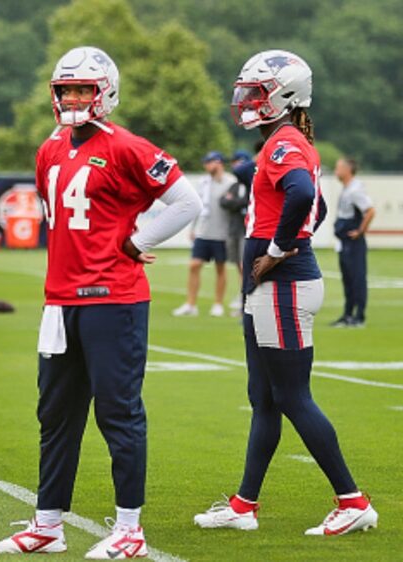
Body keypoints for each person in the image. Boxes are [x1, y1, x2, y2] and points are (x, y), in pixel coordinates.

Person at [0, 46, 201, 558]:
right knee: (55, 414)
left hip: (112, 298)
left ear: (105, 92)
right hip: (59, 301)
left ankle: (130, 529)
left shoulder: (127, 147)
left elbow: (189, 202)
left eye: (83, 89)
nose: (74, 98)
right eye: (66, 90)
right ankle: (48, 524)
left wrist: (139, 240)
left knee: (118, 414)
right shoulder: (49, 149)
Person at [194, 49, 378, 536]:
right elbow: (314, 205)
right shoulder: (282, 139)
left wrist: (278, 248)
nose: (248, 101)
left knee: (293, 397)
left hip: (285, 284)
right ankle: (244, 505)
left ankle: (352, 499)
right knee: (264, 397)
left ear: (285, 94)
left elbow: (301, 195)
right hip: (272, 284)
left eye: (257, 93)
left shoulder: (283, 144)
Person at [173, 151, 236, 317]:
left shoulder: (231, 182)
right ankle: (190, 304)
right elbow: (197, 206)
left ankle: (218, 304)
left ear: (219, 162)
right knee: (194, 265)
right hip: (203, 231)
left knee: (220, 267)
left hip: (222, 233)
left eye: (210, 162)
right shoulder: (203, 182)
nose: (207, 166)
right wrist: (193, 228)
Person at [331, 157, 375, 328]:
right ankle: (347, 314)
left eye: (338, 167)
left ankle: (359, 316)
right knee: (347, 278)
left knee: (357, 278)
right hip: (344, 242)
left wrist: (359, 231)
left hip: (353, 243)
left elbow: (370, 211)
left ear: (348, 169)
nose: (336, 171)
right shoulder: (347, 189)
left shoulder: (355, 190)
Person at [221, 147, 257, 317]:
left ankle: (247, 301)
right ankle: (243, 296)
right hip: (235, 228)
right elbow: (224, 201)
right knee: (238, 265)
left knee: (245, 266)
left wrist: (237, 203)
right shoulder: (235, 185)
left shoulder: (252, 182)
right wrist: (238, 203)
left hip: (247, 230)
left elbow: (247, 202)